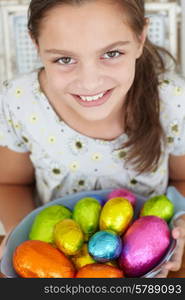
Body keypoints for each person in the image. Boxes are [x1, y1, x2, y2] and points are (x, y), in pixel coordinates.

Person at [0, 0, 185, 278]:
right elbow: (10, 182)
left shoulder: (172, 100)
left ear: (140, 38)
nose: (89, 83)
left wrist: (181, 220)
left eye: (111, 53)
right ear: (36, 46)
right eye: (64, 59)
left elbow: (182, 179)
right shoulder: (21, 102)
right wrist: (27, 241)